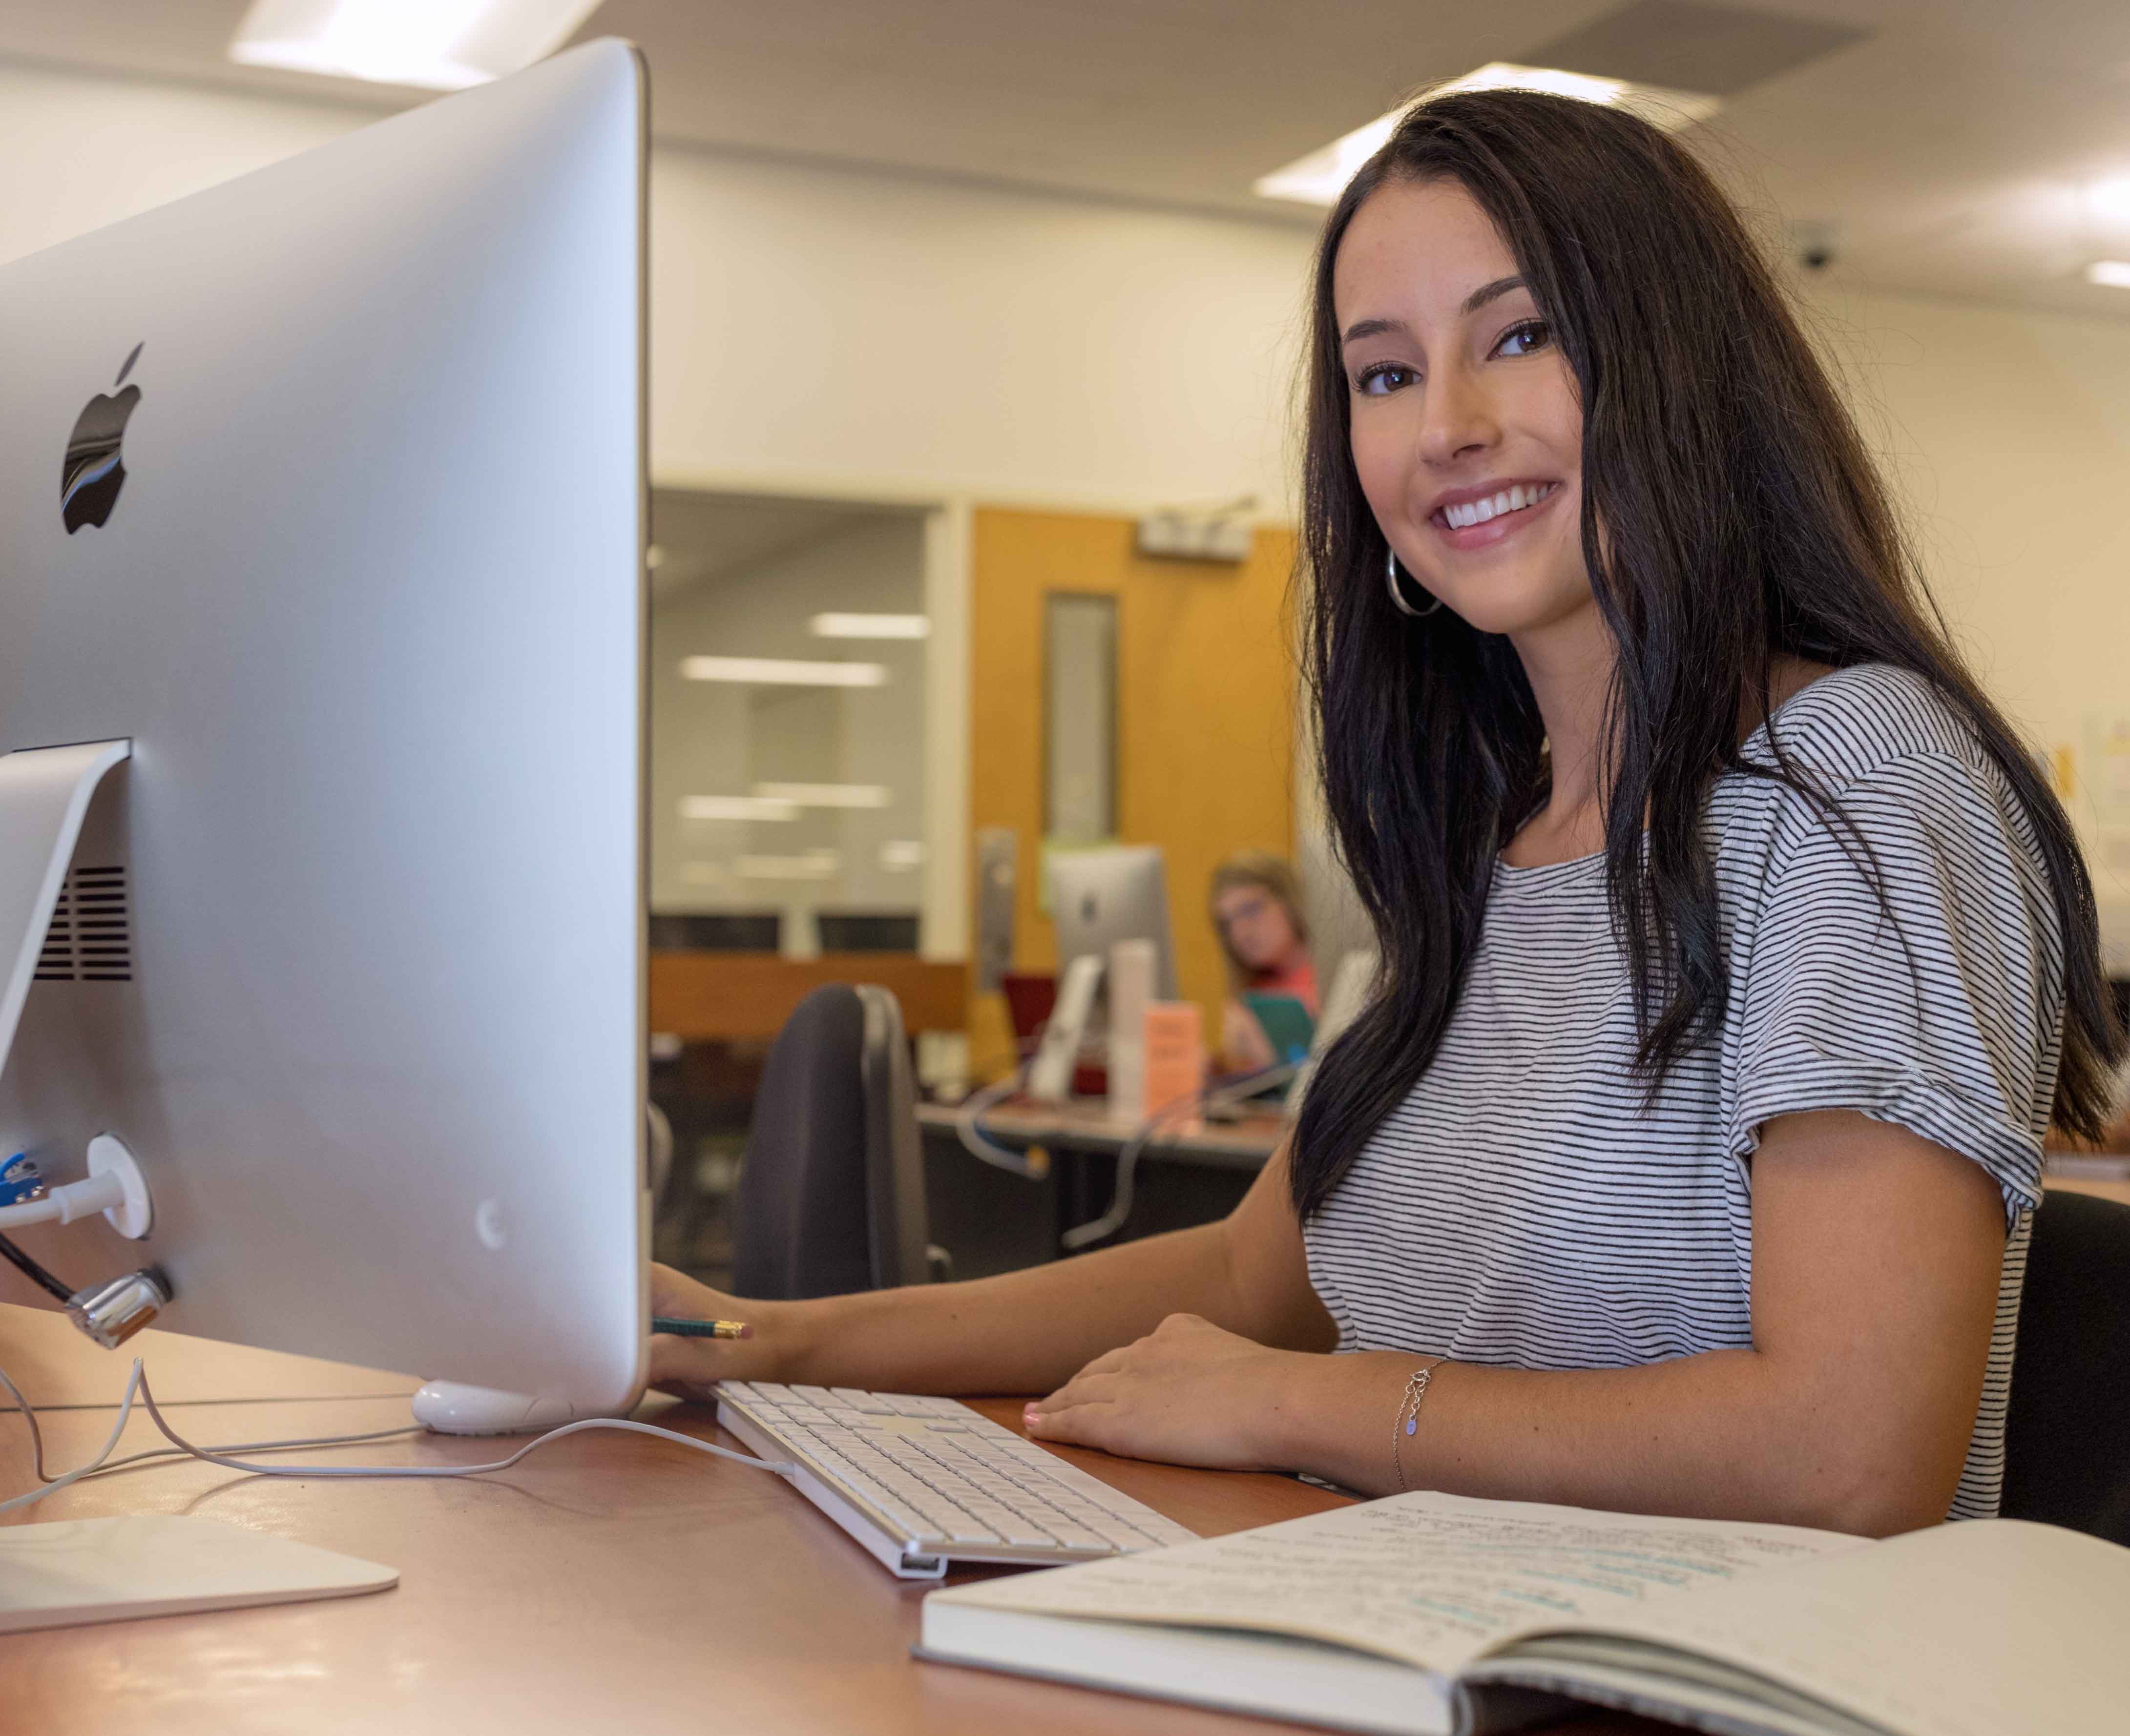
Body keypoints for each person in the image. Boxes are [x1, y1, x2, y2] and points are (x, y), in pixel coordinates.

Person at [651, 86, 2122, 1535]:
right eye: (1383, 375)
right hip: (1407, 1642)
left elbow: (1845, 1454)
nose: (1446, 428)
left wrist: (1304, 1405)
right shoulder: (1486, 839)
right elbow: (1245, 1284)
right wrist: (773, 1342)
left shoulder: (1851, 782)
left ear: (1679, 369)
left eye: (1520, 336)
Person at [1209, 851, 1318, 1074]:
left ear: (1289, 900)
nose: (1240, 933)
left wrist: (1272, 1060)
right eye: (1227, 923)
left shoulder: (1333, 978)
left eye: (1250, 910)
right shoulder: (1254, 992)